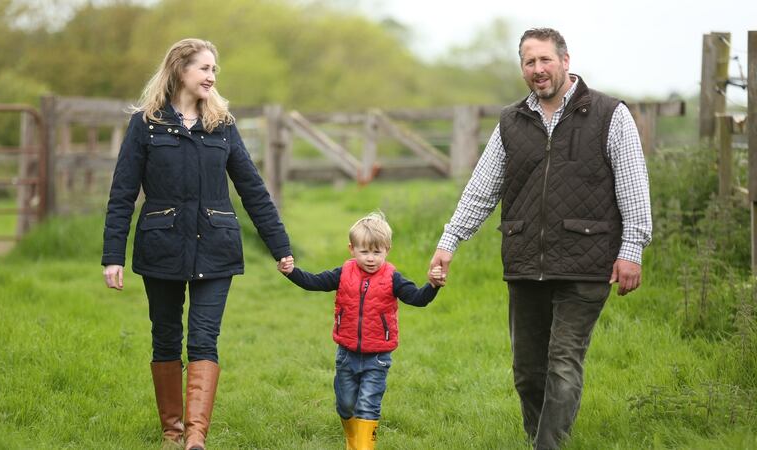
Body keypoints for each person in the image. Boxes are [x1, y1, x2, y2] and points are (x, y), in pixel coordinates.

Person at [428, 28, 652, 450]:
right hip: (526, 258)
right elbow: (482, 189)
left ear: (565, 61)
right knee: (528, 371)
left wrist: (632, 250)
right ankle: (539, 439)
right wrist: (449, 241)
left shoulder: (609, 114)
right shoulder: (512, 122)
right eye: (529, 62)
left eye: (545, 60)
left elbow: (633, 186)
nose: (538, 69)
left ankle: (549, 446)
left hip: (588, 260)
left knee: (563, 363)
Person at [101, 38, 291, 450]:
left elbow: (252, 190)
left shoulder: (222, 124)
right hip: (161, 248)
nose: (211, 76)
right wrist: (112, 255)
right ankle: (171, 433)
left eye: (214, 70)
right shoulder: (145, 124)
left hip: (216, 247)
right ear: (179, 70)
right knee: (165, 337)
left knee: (204, 338)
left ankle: (195, 437)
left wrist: (281, 247)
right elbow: (122, 194)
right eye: (204, 68)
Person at [277, 212, 440, 450]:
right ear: (352, 249)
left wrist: (433, 286)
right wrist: (291, 272)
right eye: (365, 252)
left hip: (378, 358)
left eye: (377, 252)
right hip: (346, 355)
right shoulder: (343, 273)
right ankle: (352, 441)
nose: (371, 258)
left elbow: (417, 298)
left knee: (367, 405)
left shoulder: (392, 278)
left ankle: (363, 447)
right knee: (345, 404)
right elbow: (313, 282)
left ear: (388, 249)